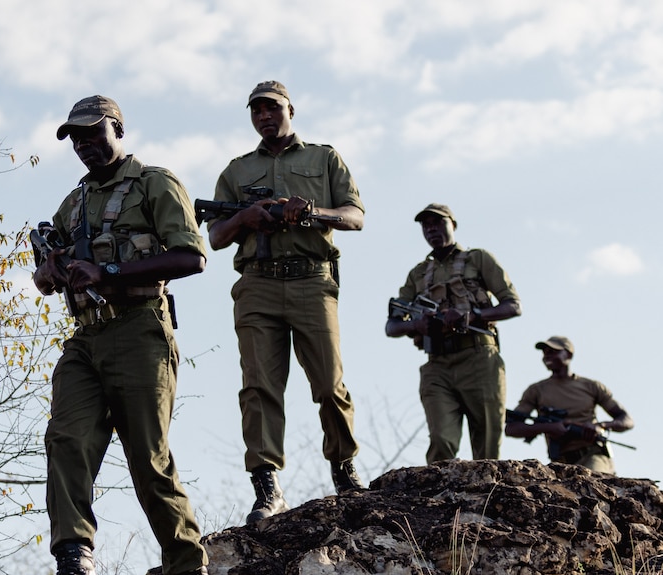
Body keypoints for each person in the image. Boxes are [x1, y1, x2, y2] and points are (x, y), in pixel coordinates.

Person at [33, 95, 209, 575]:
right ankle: (73, 554)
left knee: (147, 458)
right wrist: (50, 269)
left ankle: (186, 563)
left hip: (139, 329)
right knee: (66, 439)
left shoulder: (156, 184)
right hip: (86, 338)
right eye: (75, 137)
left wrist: (107, 270)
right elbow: (48, 281)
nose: (84, 144)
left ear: (118, 129)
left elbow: (192, 257)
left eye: (93, 132)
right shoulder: (74, 203)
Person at [205, 80, 366, 525]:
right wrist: (247, 217)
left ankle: (344, 470)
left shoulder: (324, 158)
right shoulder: (236, 171)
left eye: (272, 108)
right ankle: (267, 486)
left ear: (290, 109)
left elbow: (355, 216)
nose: (264, 116)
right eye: (256, 110)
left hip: (312, 281)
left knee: (329, 384)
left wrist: (310, 212)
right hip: (256, 284)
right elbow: (216, 237)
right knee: (259, 388)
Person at [385, 203, 521, 464]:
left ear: (453, 225)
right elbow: (391, 325)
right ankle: (436, 501)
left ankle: (487, 500)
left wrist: (472, 316)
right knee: (441, 440)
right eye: (426, 225)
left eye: (438, 223)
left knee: (487, 443)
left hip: (479, 357)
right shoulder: (418, 273)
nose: (431, 229)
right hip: (438, 364)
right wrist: (417, 325)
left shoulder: (478, 259)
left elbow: (513, 305)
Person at [505, 336, 634, 474]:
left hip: (592, 455)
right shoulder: (536, 390)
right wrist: (548, 427)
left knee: (592, 483)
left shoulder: (591, 386)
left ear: (568, 354)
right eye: (545, 352)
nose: (547, 355)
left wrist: (600, 426)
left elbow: (626, 420)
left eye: (553, 351)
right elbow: (512, 428)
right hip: (560, 462)